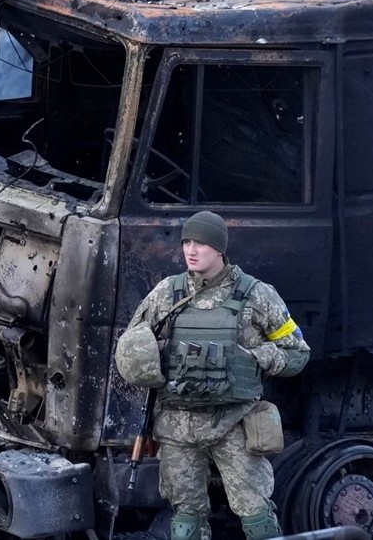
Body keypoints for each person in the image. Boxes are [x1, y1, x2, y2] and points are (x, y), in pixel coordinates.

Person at [115, 211, 310, 540]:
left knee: (257, 516)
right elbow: (131, 345)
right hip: (178, 428)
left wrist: (259, 357)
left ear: (219, 248)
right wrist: (151, 360)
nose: (191, 250)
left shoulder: (256, 295)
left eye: (201, 243)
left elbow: (298, 353)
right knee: (185, 520)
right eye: (187, 242)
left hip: (234, 426)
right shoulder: (167, 294)